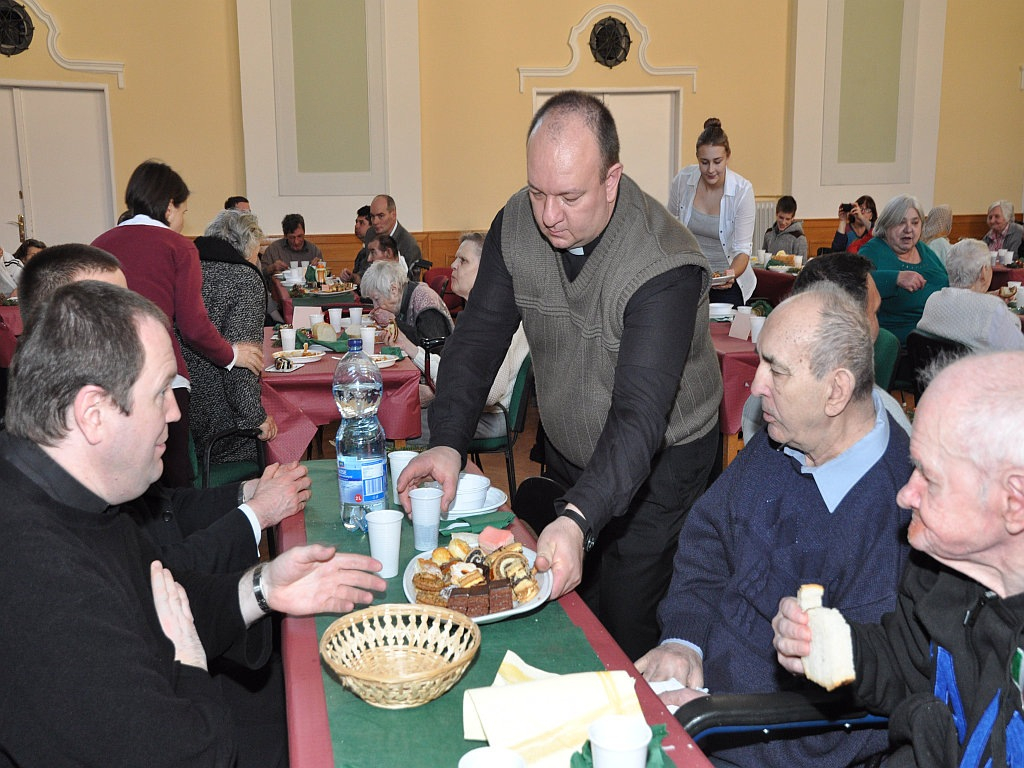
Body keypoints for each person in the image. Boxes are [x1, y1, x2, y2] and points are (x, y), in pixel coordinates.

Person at [0, 279, 385, 767]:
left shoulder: (76, 497)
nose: (174, 411)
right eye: (161, 392)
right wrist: (188, 659)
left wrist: (263, 586)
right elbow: (191, 754)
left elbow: (169, 598)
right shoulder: (38, 577)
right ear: (93, 414)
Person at [397, 91, 722, 660]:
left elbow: (639, 414)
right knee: (571, 617)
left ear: (611, 180)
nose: (548, 215)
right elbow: (477, 342)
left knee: (626, 624)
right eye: (537, 191)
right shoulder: (517, 224)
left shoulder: (663, 261)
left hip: (662, 467)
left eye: (570, 196)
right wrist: (448, 442)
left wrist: (577, 518)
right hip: (577, 455)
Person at [638, 285, 912, 767]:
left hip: (752, 744)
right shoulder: (782, 441)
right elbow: (708, 539)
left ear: (836, 391)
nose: (756, 384)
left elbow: (842, 735)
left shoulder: (893, 521)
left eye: (776, 370)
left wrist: (715, 719)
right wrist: (684, 639)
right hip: (704, 699)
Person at [772, 351, 1024, 768]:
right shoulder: (940, 568)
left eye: (930, 477)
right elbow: (906, 663)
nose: (905, 495)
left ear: (1014, 503)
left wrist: (925, 727)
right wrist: (838, 648)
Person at [92, 159, 264, 487]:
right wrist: (232, 355)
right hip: (161, 376)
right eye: (184, 211)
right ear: (170, 207)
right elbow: (193, 327)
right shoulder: (178, 247)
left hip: (108, 375)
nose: (184, 221)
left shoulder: (100, 244)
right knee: (174, 480)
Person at [741, 251, 911, 443]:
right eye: (874, 312)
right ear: (853, 325)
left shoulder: (757, 403)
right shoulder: (884, 420)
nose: (877, 326)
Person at [387, 232, 530, 439]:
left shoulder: (498, 318)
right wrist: (407, 346)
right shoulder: (477, 313)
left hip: (490, 418)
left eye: (463, 260)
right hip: (470, 409)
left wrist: (436, 391)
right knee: (395, 415)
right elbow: (454, 367)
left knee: (396, 421)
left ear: (488, 269)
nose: (453, 265)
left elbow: (489, 393)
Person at [183, 209, 277, 464]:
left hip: (181, 415)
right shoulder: (244, 278)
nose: (257, 260)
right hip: (220, 431)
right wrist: (254, 419)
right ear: (247, 247)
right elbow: (243, 360)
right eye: (257, 253)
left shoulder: (186, 267)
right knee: (285, 427)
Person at [669, 117, 756, 306]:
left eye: (717, 162)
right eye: (704, 162)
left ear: (728, 156)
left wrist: (730, 274)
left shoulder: (742, 191)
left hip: (728, 280)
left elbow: (742, 250)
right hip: (690, 278)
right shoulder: (683, 180)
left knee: (731, 325)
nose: (711, 170)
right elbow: (671, 229)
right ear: (697, 158)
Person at [858, 194, 949, 344]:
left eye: (915, 223)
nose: (909, 229)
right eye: (901, 222)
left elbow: (946, 281)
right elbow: (856, 283)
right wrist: (895, 278)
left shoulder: (923, 249)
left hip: (937, 336)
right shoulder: (873, 250)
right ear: (886, 225)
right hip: (898, 344)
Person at [916, 238, 1024, 352]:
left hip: (938, 363)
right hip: (980, 363)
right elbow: (1018, 347)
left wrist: (988, 297)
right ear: (984, 271)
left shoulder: (933, 299)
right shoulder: (992, 308)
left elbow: (962, 302)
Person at [361, 259, 453, 347]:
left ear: (393, 290)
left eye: (377, 299)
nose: (375, 306)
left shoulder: (426, 302)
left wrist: (393, 321)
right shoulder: (404, 294)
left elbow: (430, 346)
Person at [261, 212, 324, 277]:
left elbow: (324, 276)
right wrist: (272, 268)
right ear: (285, 236)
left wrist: (319, 267)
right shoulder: (273, 249)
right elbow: (260, 274)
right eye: (292, 237)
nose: (296, 242)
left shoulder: (314, 251)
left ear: (304, 232)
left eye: (300, 236)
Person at [367, 193, 422, 264]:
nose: (375, 222)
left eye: (381, 216)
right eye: (372, 216)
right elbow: (365, 265)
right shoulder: (370, 234)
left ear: (393, 214)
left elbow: (412, 271)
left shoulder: (409, 246)